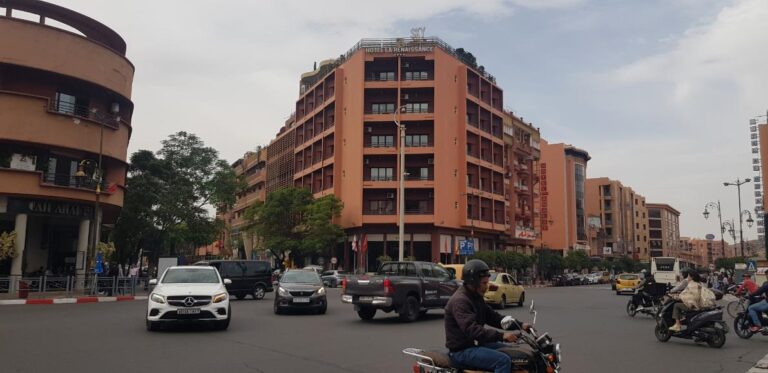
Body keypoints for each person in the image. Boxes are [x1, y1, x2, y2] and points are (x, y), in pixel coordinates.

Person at [444, 259, 530, 373]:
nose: (487, 286)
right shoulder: (460, 301)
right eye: (484, 283)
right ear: (473, 283)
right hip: (462, 350)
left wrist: (520, 325)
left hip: (475, 345)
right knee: (502, 361)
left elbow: (493, 317)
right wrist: (501, 336)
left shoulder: (475, 297)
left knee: (513, 352)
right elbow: (472, 330)